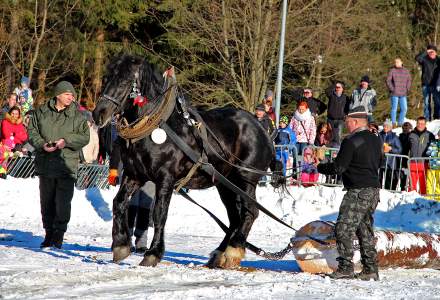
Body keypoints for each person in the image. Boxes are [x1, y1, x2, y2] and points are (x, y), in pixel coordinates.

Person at [317, 106, 382, 281]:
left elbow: (339, 167)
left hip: (358, 190)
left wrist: (321, 166)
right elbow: (381, 161)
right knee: (364, 230)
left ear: (354, 121)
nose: (346, 125)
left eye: (347, 122)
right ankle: (370, 268)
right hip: (373, 190)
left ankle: (346, 267)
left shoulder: (351, 141)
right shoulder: (376, 139)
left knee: (343, 228)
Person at [27, 81, 89, 249]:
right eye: (68, 94)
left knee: (62, 203)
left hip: (66, 166)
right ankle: (48, 234)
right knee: (46, 202)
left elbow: (85, 137)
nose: (71, 97)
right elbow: (32, 131)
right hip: (45, 165)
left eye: (72, 95)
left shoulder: (77, 116)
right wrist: (41, 144)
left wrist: (66, 141)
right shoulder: (42, 112)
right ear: (58, 95)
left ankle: (59, 234)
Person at [108, 137, 154, 252]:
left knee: (145, 208)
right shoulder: (131, 128)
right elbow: (118, 146)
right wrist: (113, 169)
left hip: (151, 173)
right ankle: (126, 238)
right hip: (132, 173)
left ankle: (141, 242)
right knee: (130, 206)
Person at [408, 117, 436, 194]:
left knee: (423, 183)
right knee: (411, 184)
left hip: (424, 163)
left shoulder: (430, 135)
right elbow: (406, 148)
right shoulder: (411, 134)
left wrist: (433, 162)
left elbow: (434, 150)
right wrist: (404, 162)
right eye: (419, 123)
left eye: (422, 124)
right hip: (413, 162)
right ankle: (409, 199)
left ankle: (423, 200)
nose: (420, 125)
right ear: (416, 124)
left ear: (425, 124)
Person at [416, 45, 440, 121]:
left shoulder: (439, 60)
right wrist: (426, 51)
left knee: (437, 102)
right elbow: (417, 58)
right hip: (425, 84)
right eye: (430, 52)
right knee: (426, 103)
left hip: (435, 84)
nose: (432, 53)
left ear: (436, 52)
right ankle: (427, 118)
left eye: (433, 51)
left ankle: (436, 118)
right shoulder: (425, 59)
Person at [386, 58, 412, 126]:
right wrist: (392, 89)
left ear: (401, 62)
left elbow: (409, 80)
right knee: (394, 108)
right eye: (395, 62)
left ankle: (400, 123)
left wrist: (407, 88)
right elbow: (388, 81)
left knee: (404, 109)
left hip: (403, 93)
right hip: (394, 93)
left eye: (398, 62)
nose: (396, 63)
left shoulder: (406, 71)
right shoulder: (392, 70)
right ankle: (394, 123)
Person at [378, 119, 402, 190]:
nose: (385, 127)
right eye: (384, 126)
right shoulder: (379, 135)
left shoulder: (394, 137)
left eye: (387, 126)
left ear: (391, 127)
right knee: (378, 181)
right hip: (380, 162)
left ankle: (389, 195)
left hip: (390, 163)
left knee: (389, 182)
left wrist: (391, 149)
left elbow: (400, 150)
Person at [399, 122, 413, 191]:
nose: (406, 129)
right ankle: (403, 189)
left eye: (407, 128)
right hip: (403, 159)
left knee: (410, 176)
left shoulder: (412, 136)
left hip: (410, 159)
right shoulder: (400, 136)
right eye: (405, 128)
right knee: (403, 176)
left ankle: (410, 189)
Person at [426, 132, 440, 199]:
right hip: (433, 165)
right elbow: (428, 152)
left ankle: (438, 198)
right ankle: (429, 197)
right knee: (430, 182)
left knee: (439, 182)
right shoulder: (434, 143)